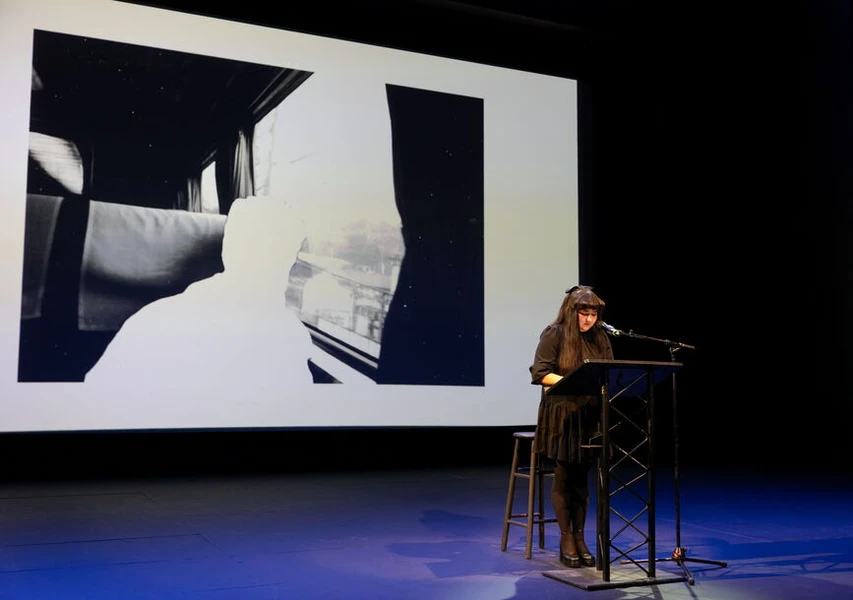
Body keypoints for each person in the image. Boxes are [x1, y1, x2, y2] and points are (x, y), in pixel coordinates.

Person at [529, 285, 614, 568]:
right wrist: (572, 382)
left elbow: (609, 371)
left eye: (593, 313)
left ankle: (580, 536)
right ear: (571, 311)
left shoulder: (601, 336)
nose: (589, 319)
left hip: (590, 416)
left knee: (582, 481)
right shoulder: (555, 334)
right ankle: (566, 537)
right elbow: (541, 373)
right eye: (584, 313)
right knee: (565, 477)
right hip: (562, 414)